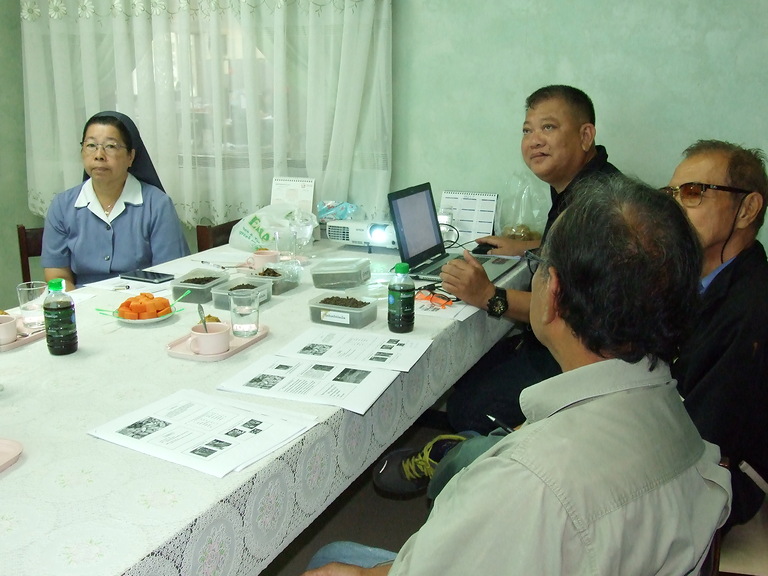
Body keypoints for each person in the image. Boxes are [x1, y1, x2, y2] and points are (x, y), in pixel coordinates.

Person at [302, 176, 731, 576]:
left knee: (331, 557)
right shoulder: (671, 405)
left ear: (553, 293)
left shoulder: (527, 483)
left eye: (539, 264)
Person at [445, 85, 620, 436]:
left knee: (468, 404)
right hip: (573, 344)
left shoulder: (596, 206)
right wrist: (529, 246)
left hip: (586, 357)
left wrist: (487, 295)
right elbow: (576, 251)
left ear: (586, 136)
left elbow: (564, 307)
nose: (534, 140)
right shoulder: (589, 184)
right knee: (470, 368)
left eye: (548, 127)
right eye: (527, 130)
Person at [663, 139, 768, 528]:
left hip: (721, 479)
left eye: (693, 192)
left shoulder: (752, 310)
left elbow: (708, 436)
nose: (675, 207)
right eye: (671, 194)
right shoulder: (691, 281)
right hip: (674, 440)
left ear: (747, 209)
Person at [41, 111, 190, 289]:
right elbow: (57, 274)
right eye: (91, 145)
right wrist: (75, 302)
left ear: (131, 156)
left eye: (110, 146)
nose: (99, 155)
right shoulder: (62, 205)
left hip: (142, 300)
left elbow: (169, 273)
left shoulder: (157, 205)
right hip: (80, 301)